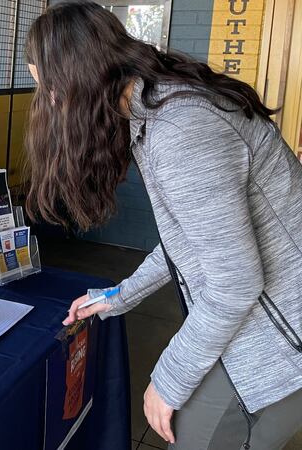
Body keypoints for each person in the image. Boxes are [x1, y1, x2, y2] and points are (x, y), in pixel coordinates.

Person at [24, 2, 302, 449]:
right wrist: (119, 296)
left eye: (48, 90)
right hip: (264, 317)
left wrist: (169, 377)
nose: (49, 105)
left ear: (73, 77)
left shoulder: (179, 129)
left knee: (192, 431)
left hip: (283, 331)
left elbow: (234, 284)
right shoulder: (158, 107)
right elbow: (189, 241)